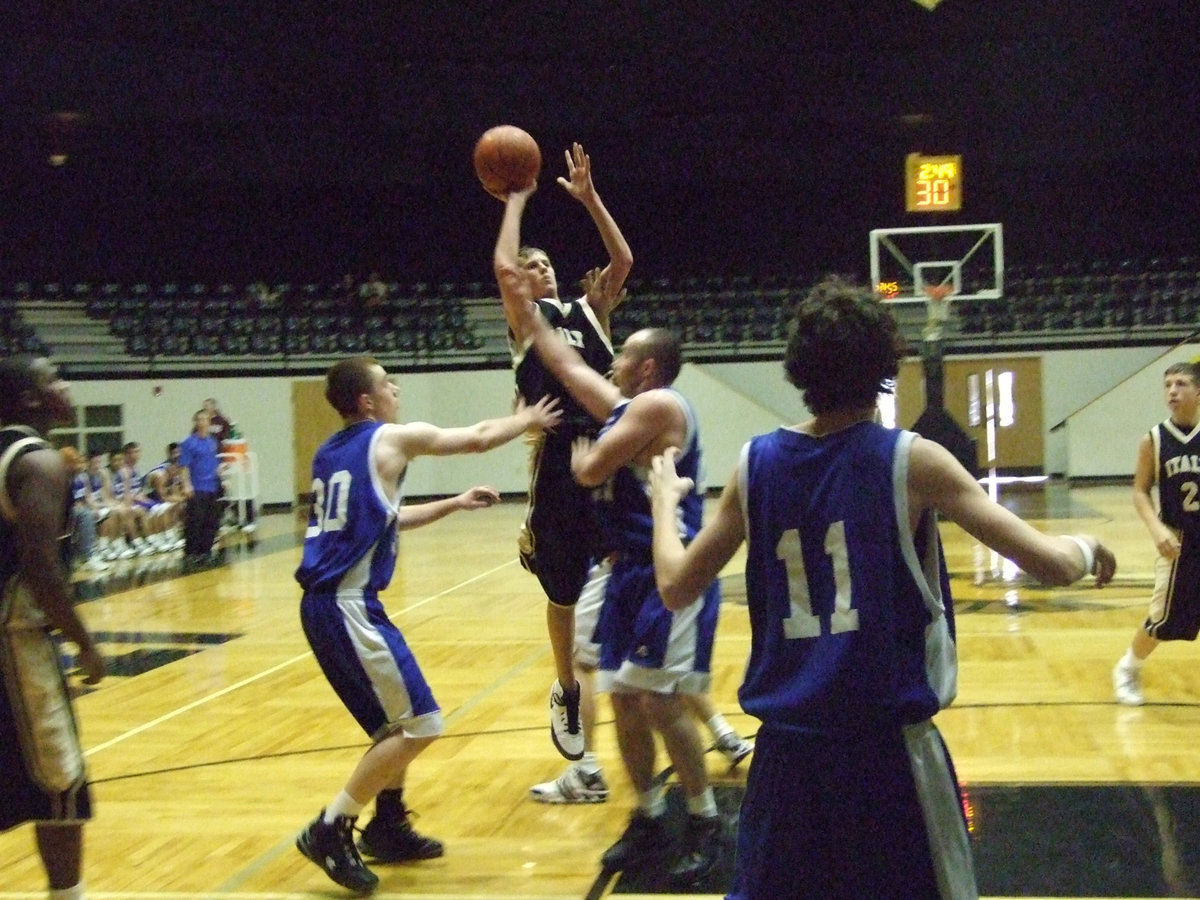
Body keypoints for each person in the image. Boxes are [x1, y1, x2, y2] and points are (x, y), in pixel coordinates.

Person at [647, 276, 1117, 900]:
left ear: (798, 368)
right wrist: (1088, 546)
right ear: (886, 366)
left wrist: (663, 503)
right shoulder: (913, 460)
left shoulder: (754, 465)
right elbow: (1052, 565)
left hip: (786, 764)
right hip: (888, 758)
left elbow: (675, 586)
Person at [293, 357, 561, 894]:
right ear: (367, 401)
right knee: (422, 724)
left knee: (393, 729)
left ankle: (388, 825)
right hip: (347, 606)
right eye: (386, 383)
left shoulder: (330, 452)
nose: (395, 389)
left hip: (328, 608)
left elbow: (387, 521)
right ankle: (330, 827)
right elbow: (477, 438)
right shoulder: (391, 437)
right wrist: (528, 419)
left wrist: (454, 503)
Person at [509, 285, 722, 883]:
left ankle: (704, 818)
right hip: (627, 569)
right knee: (624, 696)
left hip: (668, 571)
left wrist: (584, 466)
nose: (613, 361)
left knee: (660, 700)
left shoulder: (660, 406)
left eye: (624, 354)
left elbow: (592, 468)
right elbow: (569, 368)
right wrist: (530, 319)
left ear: (646, 368)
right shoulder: (629, 408)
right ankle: (648, 814)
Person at [492, 142, 633, 762]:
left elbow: (623, 259)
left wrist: (590, 199)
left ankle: (631, 666)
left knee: (628, 561)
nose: (541, 269)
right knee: (562, 591)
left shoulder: (588, 308)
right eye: (532, 265)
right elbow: (503, 268)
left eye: (546, 262)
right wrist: (515, 202)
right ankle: (567, 688)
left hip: (608, 448)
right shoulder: (526, 321)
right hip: (556, 459)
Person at [0, 356, 106, 900]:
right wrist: (84, 644)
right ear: (31, 399)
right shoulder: (39, 462)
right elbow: (42, 569)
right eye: (55, 380)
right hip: (15, 640)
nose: (66, 386)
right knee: (60, 781)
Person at [1113, 361, 1200, 705]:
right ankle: (1127, 668)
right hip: (1178, 541)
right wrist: (1156, 530)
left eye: (1181, 384)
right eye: (1167, 385)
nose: (1172, 391)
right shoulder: (1155, 439)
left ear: (1198, 391)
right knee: (1164, 619)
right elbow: (1139, 491)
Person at [179, 410, 223, 569]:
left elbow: (214, 463)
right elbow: (184, 466)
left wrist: (221, 474)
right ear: (196, 422)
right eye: (199, 419)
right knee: (195, 521)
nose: (202, 422)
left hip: (212, 486)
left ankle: (206, 551)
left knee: (211, 521)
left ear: (209, 422)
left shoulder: (212, 442)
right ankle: (191, 553)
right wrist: (186, 485)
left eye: (205, 419)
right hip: (197, 487)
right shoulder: (189, 443)